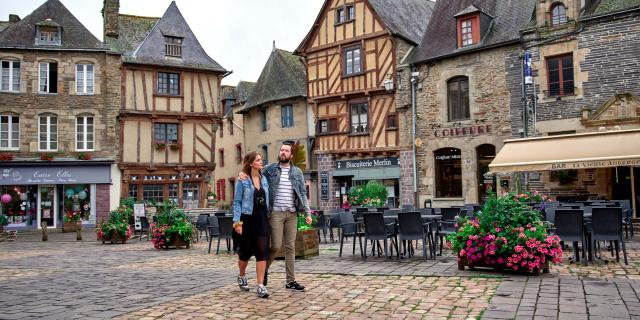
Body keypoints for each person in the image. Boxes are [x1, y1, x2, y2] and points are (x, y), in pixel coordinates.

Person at [239, 141, 312, 291]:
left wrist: (307, 213)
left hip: (292, 213)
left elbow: (302, 194)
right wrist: (243, 174)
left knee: (290, 246)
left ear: (291, 155)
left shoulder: (297, 172)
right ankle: (264, 269)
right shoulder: (270, 169)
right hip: (275, 213)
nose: (283, 152)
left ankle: (290, 281)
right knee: (275, 246)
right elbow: (254, 173)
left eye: (286, 151)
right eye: (282, 150)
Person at [232, 151, 271, 298]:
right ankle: (242, 275)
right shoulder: (242, 180)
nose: (261, 162)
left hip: (261, 219)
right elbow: (237, 202)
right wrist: (237, 223)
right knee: (246, 252)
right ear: (251, 163)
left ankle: (260, 285)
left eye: (261, 160)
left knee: (262, 251)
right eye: (258, 160)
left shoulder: (264, 179)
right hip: (247, 219)